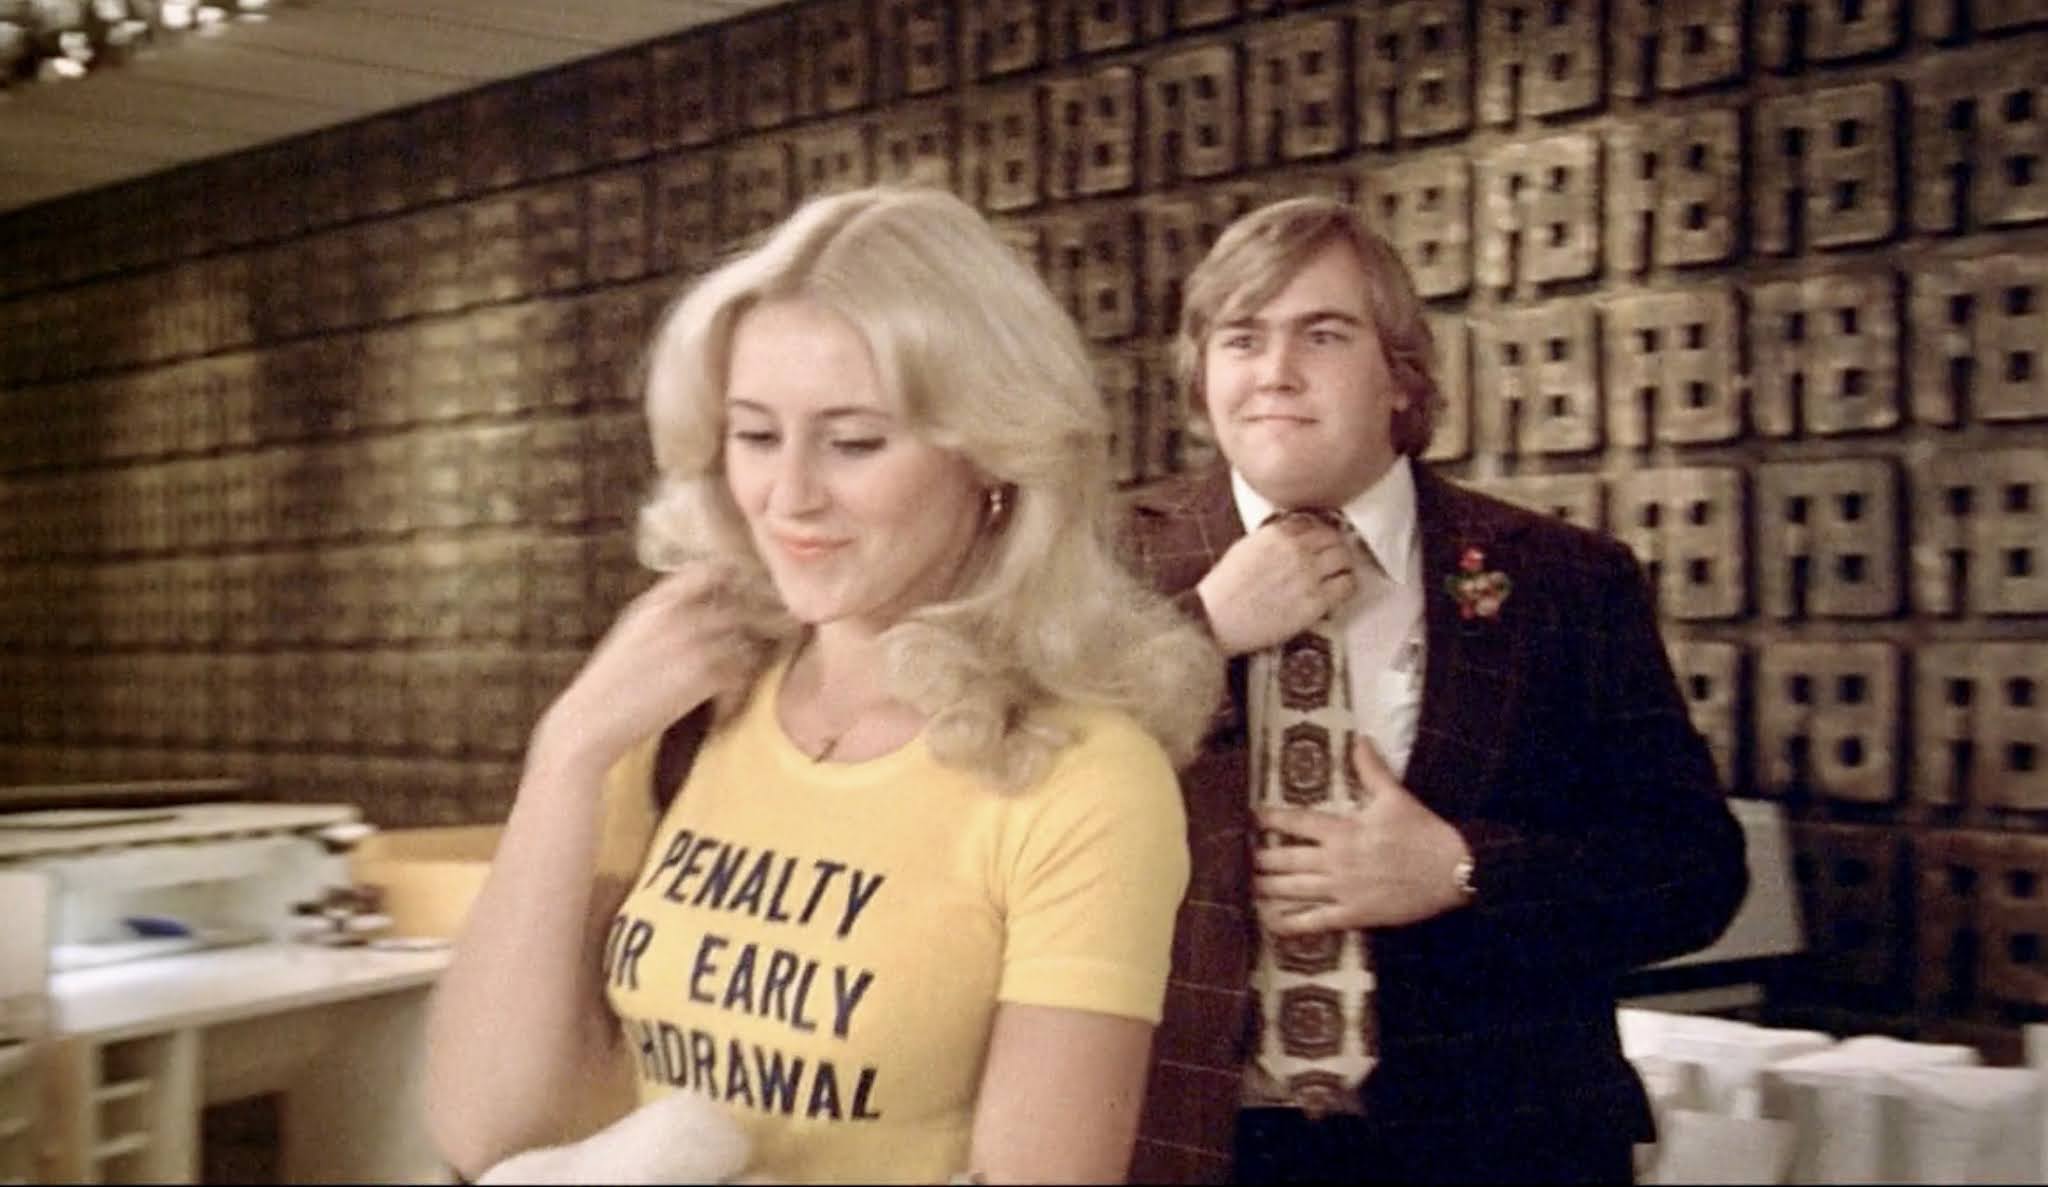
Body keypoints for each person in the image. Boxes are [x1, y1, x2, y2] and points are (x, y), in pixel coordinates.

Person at [425, 185, 1223, 1184]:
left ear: (992, 456)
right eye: (756, 435)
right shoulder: (675, 712)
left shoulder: (1083, 776)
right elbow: (485, 1131)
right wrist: (569, 748)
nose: (789, 495)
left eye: (852, 441)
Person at [1118, 196, 1749, 1184]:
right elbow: (988, 791)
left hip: (1499, 1144)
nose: (1275, 370)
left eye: (1322, 333)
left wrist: (1460, 868)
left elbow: (1693, 873)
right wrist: (1200, 632)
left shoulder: (1564, 580)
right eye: (1241, 337)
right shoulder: (1095, 564)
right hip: (1185, 1146)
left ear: (1400, 375)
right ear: (1202, 373)